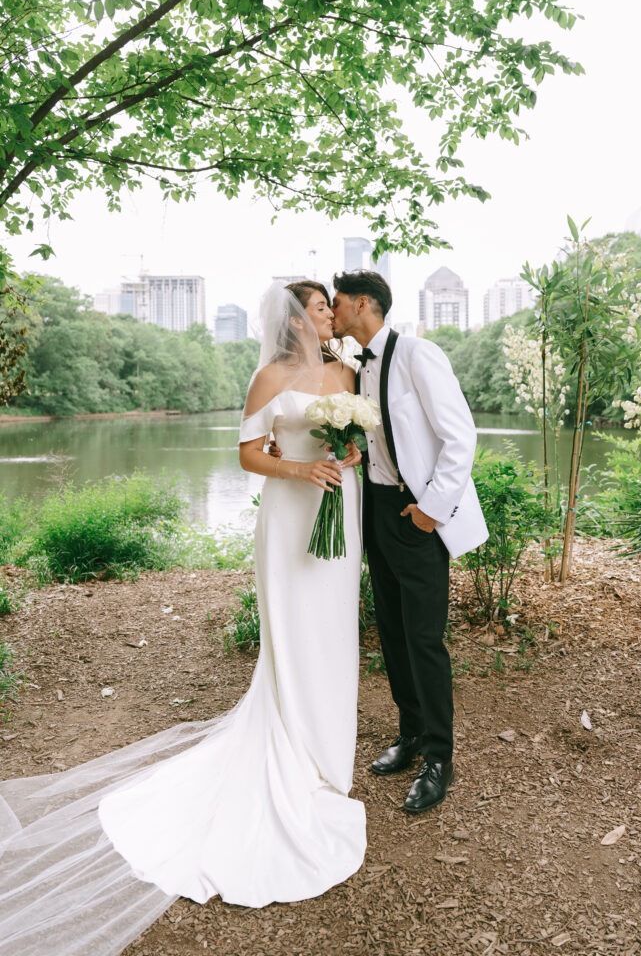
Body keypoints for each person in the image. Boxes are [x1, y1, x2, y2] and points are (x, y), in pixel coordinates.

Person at [0, 281, 366, 956]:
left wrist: (343, 457)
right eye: (318, 305)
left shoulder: (346, 370)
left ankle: (324, 750)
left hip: (339, 514)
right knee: (292, 635)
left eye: (329, 307)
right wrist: (298, 474)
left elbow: (353, 444)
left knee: (332, 634)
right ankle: (289, 745)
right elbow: (247, 454)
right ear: (294, 317)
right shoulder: (270, 375)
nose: (329, 312)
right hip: (289, 518)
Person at [331, 270, 488, 814]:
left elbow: (459, 435)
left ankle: (440, 757)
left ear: (364, 304)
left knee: (423, 638)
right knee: (392, 631)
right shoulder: (356, 365)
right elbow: (379, 435)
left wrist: (431, 511)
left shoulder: (419, 354)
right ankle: (412, 734)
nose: (332, 313)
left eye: (337, 304)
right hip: (376, 509)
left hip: (415, 514)